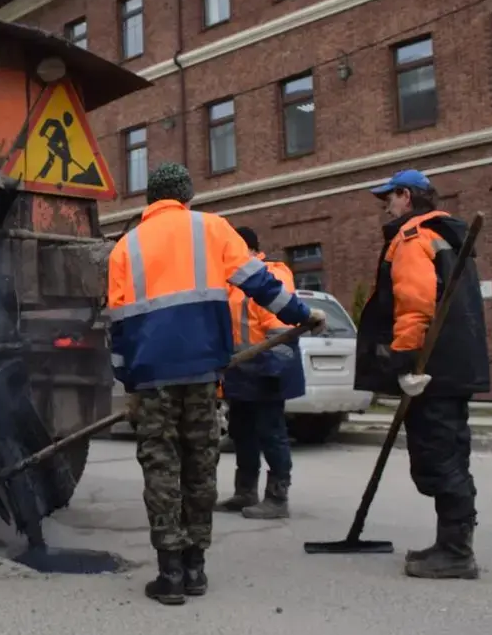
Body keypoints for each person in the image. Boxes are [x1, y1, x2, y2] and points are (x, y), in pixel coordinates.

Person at [107, 163, 327, 605]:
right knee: (200, 464)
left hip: (151, 377)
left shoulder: (124, 248)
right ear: (187, 196)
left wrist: (127, 381)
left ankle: (168, 573)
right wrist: (301, 315)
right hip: (204, 373)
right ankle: (195, 569)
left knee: (161, 467)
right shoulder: (211, 228)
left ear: (150, 200)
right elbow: (261, 283)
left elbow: (117, 327)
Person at [354, 169, 489, 580]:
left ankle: (455, 552)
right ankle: (450, 542)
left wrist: (403, 360)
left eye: (389, 199)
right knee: (450, 454)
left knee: (439, 459)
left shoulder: (413, 238)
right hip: (453, 367)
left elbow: (414, 305)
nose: (387, 207)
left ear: (407, 197)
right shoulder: (447, 236)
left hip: (431, 370)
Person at [217, 227, 304, 520]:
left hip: (265, 370)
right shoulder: (232, 282)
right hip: (240, 371)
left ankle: (277, 498)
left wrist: (272, 370)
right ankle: (245, 492)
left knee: (271, 433)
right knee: (242, 433)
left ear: (250, 250)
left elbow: (279, 328)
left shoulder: (271, 276)